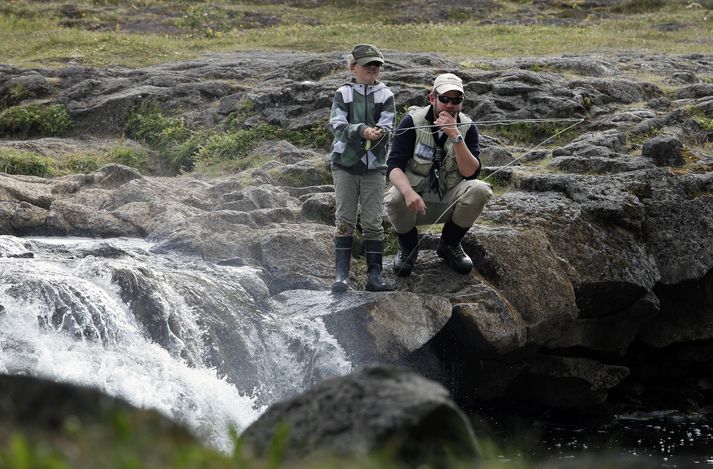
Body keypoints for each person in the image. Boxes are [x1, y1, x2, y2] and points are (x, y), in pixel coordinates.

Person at [384, 73, 492, 277]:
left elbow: (471, 173)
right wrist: (408, 192)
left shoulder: (467, 127)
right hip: (416, 199)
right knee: (394, 197)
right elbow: (393, 166)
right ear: (432, 98)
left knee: (480, 189)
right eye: (445, 99)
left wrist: (455, 136)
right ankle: (408, 246)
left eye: (456, 100)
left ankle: (449, 244)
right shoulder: (412, 122)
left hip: (449, 197)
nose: (450, 105)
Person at [328, 44, 396, 293]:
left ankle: (374, 277)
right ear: (353, 67)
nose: (373, 69)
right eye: (368, 64)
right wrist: (361, 130)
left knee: (373, 223)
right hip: (344, 166)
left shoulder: (386, 94)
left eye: (376, 64)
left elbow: (389, 127)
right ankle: (341, 276)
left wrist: (379, 133)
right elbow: (337, 126)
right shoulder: (342, 93)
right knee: (344, 219)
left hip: (374, 168)